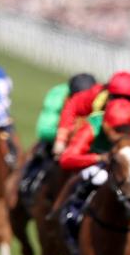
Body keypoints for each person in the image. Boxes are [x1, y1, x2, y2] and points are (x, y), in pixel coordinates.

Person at [57, 99, 130, 238]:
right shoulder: (94, 123)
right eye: (117, 130)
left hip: (128, 171)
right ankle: (72, 217)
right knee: (97, 178)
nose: (121, 135)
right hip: (98, 166)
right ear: (106, 124)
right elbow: (67, 159)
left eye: (125, 129)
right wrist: (98, 158)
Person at [53, 71, 130, 181]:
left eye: (128, 98)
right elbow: (72, 106)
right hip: (94, 152)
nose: (121, 101)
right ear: (108, 93)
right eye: (115, 96)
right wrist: (61, 139)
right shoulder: (96, 104)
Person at [19, 73, 97, 202]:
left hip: (84, 143)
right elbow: (44, 130)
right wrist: (66, 136)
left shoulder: (99, 98)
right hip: (57, 140)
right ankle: (28, 183)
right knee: (41, 152)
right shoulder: (58, 96)